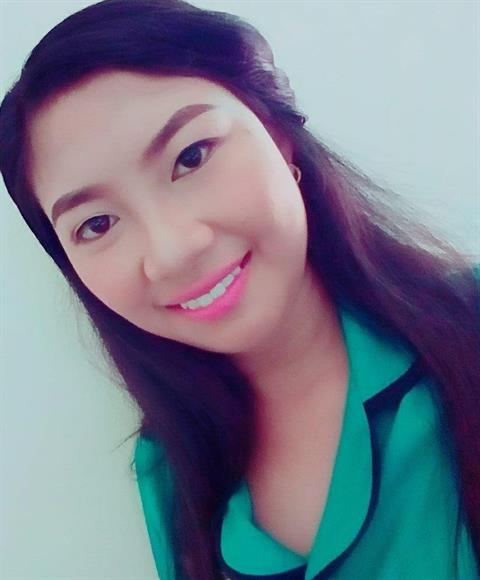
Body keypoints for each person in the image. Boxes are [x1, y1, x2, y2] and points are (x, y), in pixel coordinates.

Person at [0, 0, 478, 578]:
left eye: (191, 157)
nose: (172, 251)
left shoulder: (469, 324)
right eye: (97, 224)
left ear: (278, 135)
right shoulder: (169, 470)